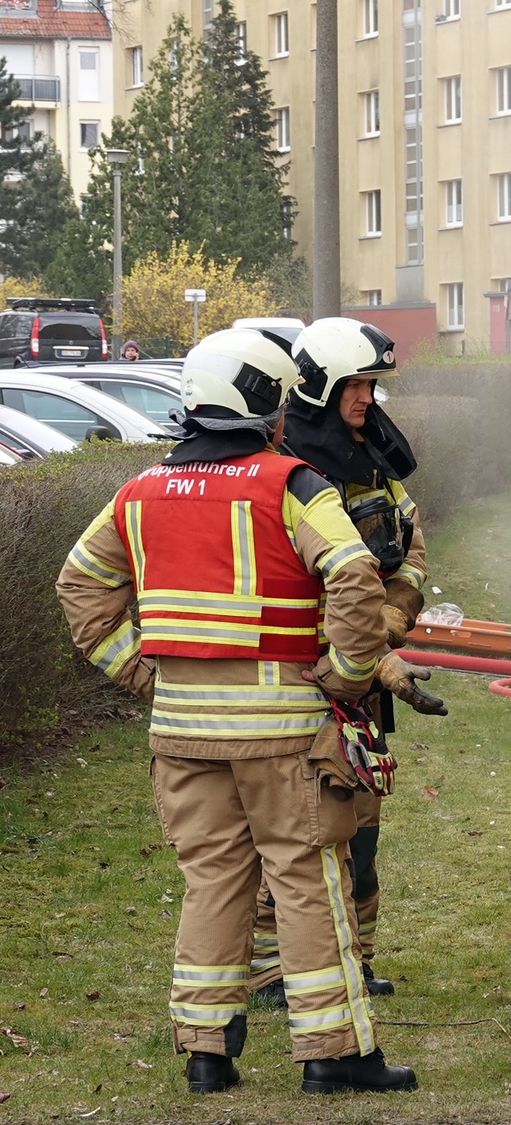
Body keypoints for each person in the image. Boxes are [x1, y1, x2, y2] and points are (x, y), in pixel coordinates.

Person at [55, 327, 435, 1094]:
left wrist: (145, 675)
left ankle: (207, 1052)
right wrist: (347, 674)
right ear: (268, 405)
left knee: (214, 881)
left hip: (183, 734)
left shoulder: (139, 491)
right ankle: (334, 1054)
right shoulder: (290, 484)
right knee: (308, 880)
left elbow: (80, 586)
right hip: (282, 732)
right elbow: (354, 577)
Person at [248, 317, 428, 1003]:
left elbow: (412, 544)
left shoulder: (373, 455)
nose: (366, 398)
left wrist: (391, 618)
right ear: (320, 385)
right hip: (305, 679)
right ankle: (273, 969)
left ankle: (357, 956)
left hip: (363, 677)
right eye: (355, 384)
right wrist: (370, 652)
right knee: (299, 830)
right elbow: (295, 583)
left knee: (362, 829)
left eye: (373, 384)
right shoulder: (290, 467)